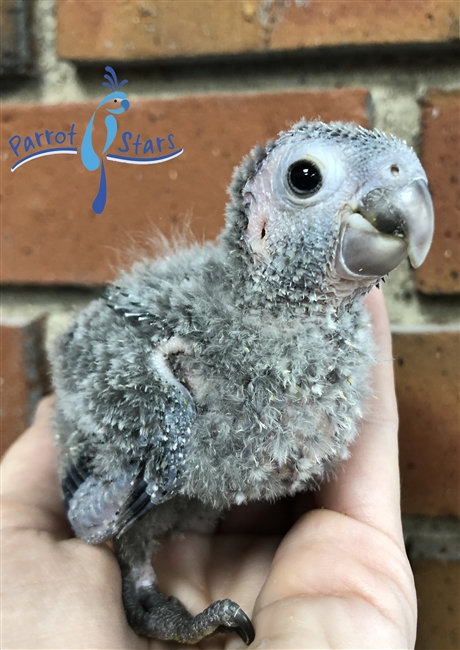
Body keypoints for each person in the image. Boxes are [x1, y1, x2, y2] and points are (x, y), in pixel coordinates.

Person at [1, 288, 417, 649]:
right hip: (157, 411)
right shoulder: (172, 375)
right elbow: (94, 512)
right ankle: (144, 595)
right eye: (304, 188)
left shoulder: (334, 344)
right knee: (111, 508)